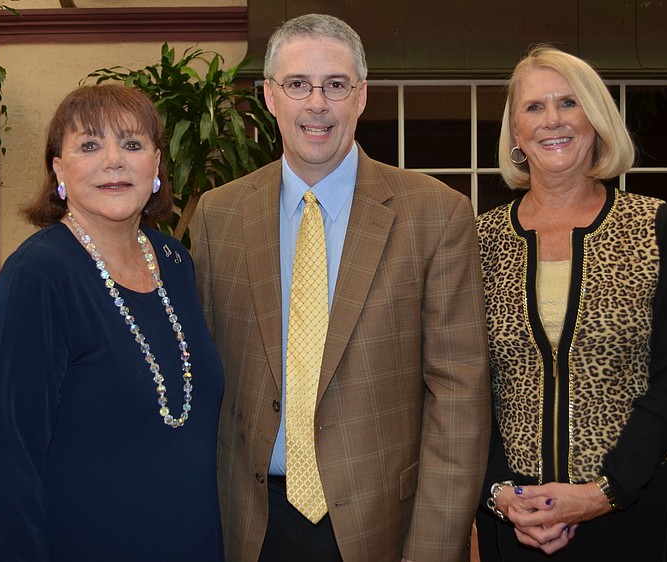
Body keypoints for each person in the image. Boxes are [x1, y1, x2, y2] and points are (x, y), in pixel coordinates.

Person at [190, 13, 490, 562]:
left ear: (362, 96)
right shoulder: (218, 216)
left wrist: (432, 549)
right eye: (298, 85)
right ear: (270, 97)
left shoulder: (436, 215)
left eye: (335, 85)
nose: (317, 104)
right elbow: (206, 379)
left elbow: (459, 398)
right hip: (249, 526)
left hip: (382, 525)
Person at [0, 85, 224, 561]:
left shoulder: (175, 261)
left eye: (132, 143)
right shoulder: (37, 278)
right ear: (59, 170)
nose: (114, 161)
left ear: (157, 164)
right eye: (89, 145)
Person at [475, 45, 667, 561]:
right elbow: (465, 384)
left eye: (569, 103)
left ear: (597, 120)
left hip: (637, 507)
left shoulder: (652, 225)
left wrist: (607, 491)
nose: (552, 120)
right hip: (518, 516)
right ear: (515, 134)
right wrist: (498, 493)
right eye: (534, 107)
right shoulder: (480, 240)